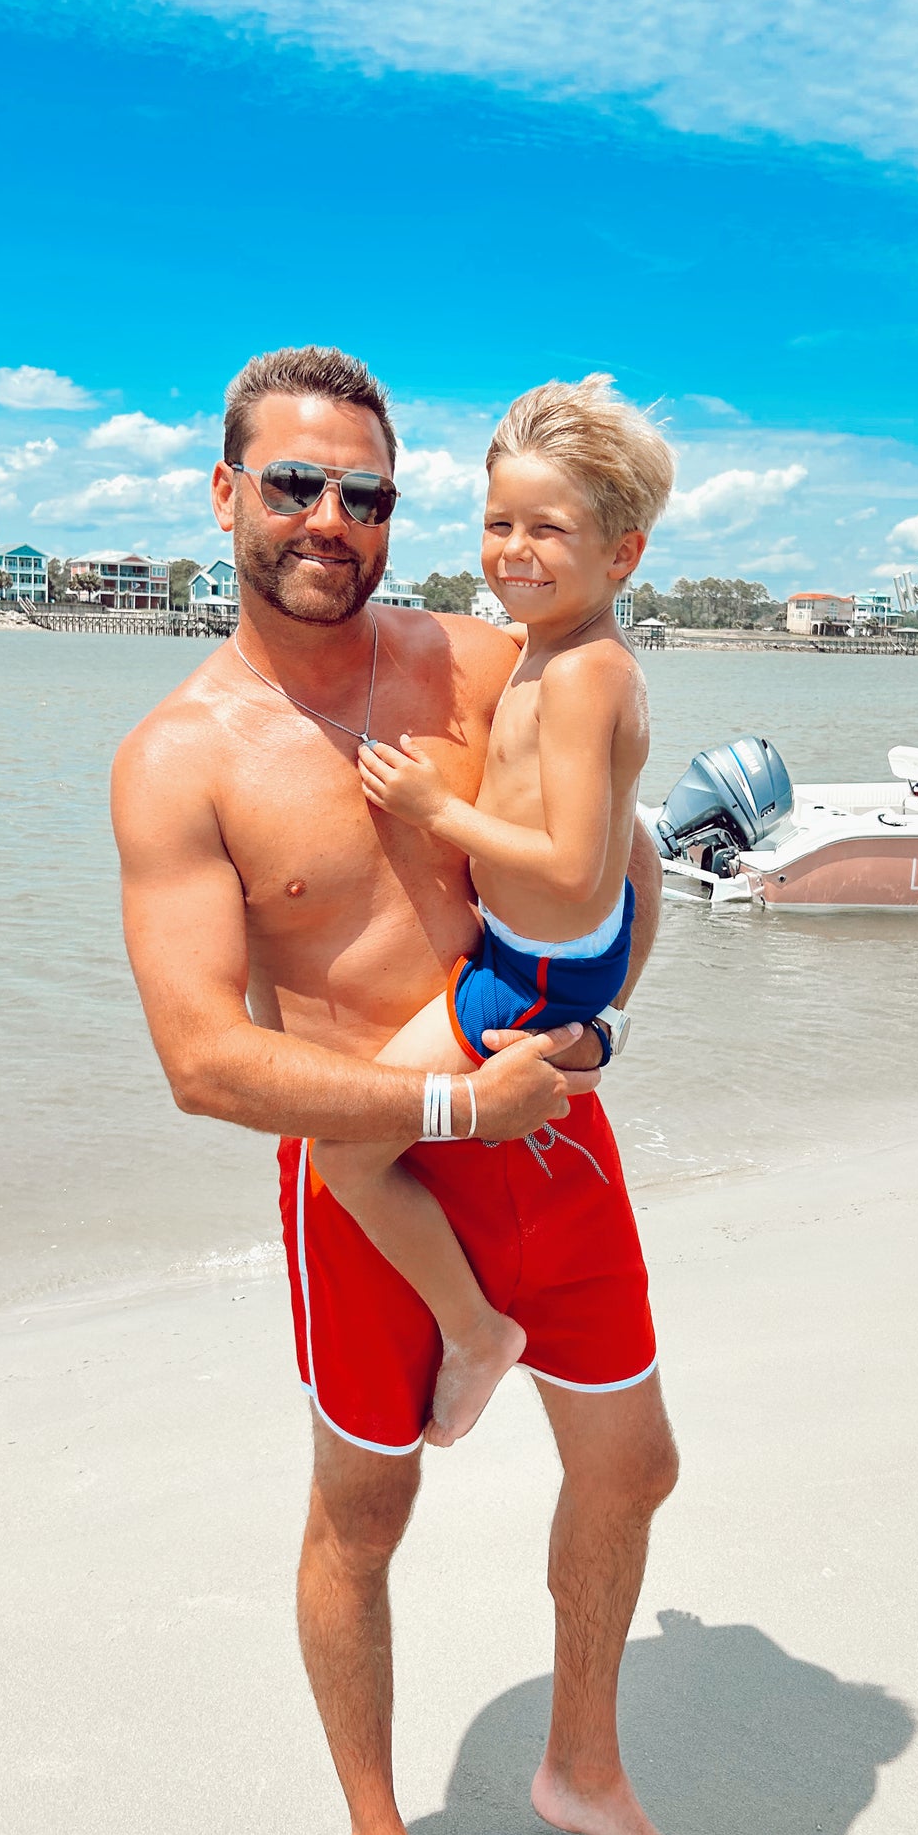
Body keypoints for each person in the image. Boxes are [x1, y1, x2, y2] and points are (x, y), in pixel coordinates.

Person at [111, 346, 699, 1835]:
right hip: (375, 1177)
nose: (328, 518)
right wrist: (451, 1105)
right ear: (228, 492)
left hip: (546, 1120)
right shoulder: (183, 758)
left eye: (362, 492)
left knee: (633, 1467)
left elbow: (618, 852)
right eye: (294, 483)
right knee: (362, 1521)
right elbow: (204, 1062)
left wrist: (598, 1023)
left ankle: (583, 1769)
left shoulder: (483, 663)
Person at [306, 373, 674, 1451]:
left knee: (342, 1150)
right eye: (496, 522)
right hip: (563, 964)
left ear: (623, 555)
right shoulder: (552, 654)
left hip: (529, 971)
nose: (513, 549)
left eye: (547, 529)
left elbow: (568, 869)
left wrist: (435, 812)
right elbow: (629, 855)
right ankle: (474, 1320)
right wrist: (610, 1002)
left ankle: (474, 1329)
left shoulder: (580, 678)